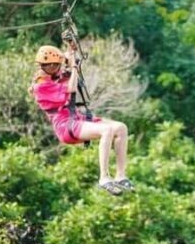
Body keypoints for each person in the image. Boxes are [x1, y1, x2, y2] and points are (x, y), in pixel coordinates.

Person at [29, 43, 134, 195]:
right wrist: (73, 68)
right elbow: (71, 88)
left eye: (56, 65)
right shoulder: (41, 86)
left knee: (121, 128)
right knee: (107, 130)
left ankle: (120, 175)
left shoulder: (55, 76)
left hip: (76, 118)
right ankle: (104, 177)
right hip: (65, 126)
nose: (54, 68)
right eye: (50, 66)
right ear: (43, 66)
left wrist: (70, 50)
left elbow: (67, 60)